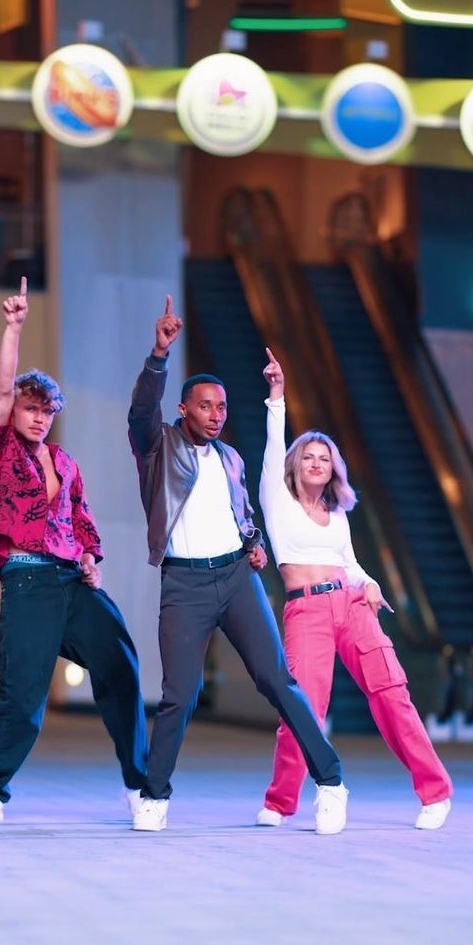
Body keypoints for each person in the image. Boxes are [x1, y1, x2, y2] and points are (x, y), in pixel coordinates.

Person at [127, 296, 344, 833]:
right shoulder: (157, 446)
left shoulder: (230, 458)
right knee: (180, 693)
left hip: (235, 578)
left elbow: (240, 510)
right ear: (184, 409)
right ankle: (154, 796)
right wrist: (159, 354)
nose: (216, 414)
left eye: (222, 407)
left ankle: (332, 782)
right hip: (184, 582)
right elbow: (139, 413)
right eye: (205, 406)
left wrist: (252, 541)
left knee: (277, 680)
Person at [0, 277, 147, 821]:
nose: (39, 417)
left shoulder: (63, 461)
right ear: (14, 413)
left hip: (72, 580)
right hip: (26, 580)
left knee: (120, 664)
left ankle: (138, 784)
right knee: (22, 693)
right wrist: (13, 328)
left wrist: (91, 558)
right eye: (30, 408)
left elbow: (82, 520)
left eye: (47, 409)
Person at [256, 347, 453, 831]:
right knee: (302, 708)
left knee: (392, 694)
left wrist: (369, 583)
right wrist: (276, 396)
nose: (317, 463)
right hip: (306, 612)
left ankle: (435, 793)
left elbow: (349, 562)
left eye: (325, 458)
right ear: (295, 464)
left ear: (333, 468)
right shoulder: (276, 499)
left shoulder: (338, 513)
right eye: (309, 456)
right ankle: (282, 801)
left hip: (352, 603)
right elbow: (272, 440)